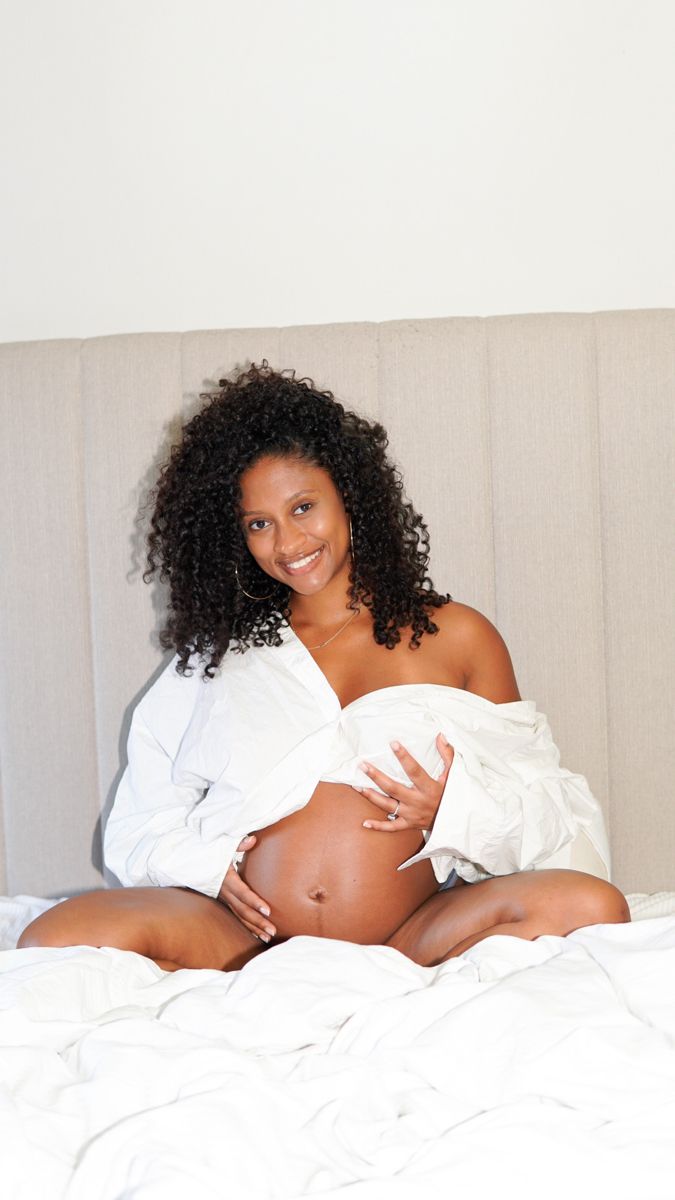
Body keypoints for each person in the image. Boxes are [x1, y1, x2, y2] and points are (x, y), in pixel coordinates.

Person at [18, 363, 629, 971]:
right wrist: (209, 869)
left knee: (589, 903)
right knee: (54, 937)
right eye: (259, 524)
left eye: (303, 506)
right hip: (244, 940)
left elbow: (554, 818)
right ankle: (272, 984)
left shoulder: (457, 636)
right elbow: (142, 821)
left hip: (410, 940)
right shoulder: (216, 659)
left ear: (350, 494)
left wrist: (452, 808)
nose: (287, 544)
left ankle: (399, 989)